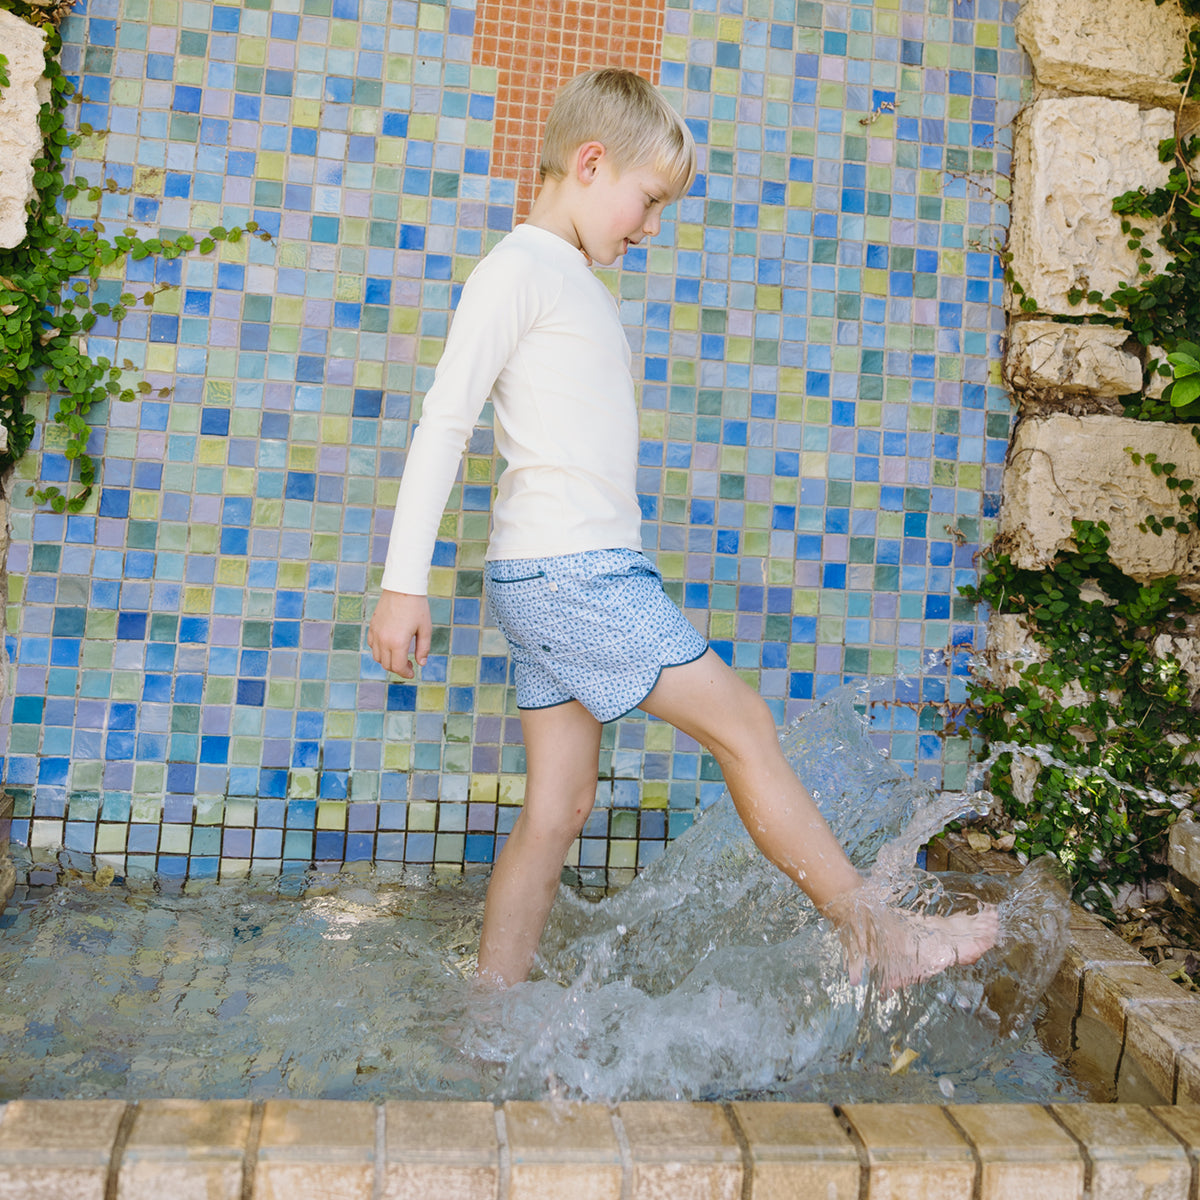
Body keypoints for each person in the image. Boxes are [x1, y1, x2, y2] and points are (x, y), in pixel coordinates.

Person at [368, 67, 999, 992]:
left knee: (558, 806)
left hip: (556, 576)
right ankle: (879, 937)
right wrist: (402, 584)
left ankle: (487, 1023)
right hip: (573, 575)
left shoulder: (569, 278)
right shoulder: (517, 271)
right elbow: (444, 422)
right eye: (650, 199)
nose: (653, 226)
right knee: (743, 722)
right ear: (591, 163)